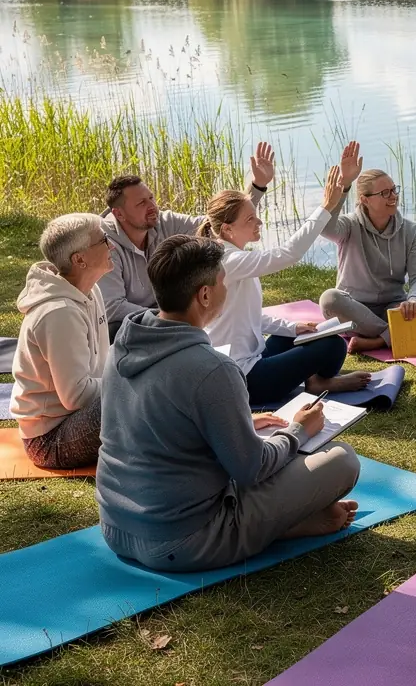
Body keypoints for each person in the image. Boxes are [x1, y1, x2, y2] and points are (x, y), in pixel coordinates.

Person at [97, 234, 361, 573]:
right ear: (204, 295)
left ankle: (280, 524)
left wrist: (243, 425)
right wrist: (298, 431)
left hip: (117, 528)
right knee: (343, 460)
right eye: (225, 282)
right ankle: (277, 527)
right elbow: (252, 469)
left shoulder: (126, 341)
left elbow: (159, 422)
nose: (227, 289)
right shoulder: (212, 368)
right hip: (186, 540)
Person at [201, 154, 371, 405]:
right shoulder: (228, 261)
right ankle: (318, 383)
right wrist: (325, 207)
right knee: (331, 347)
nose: (259, 221)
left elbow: (248, 315)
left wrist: (292, 328)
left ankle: (313, 380)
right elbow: (289, 254)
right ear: (227, 229)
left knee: (305, 335)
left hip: (254, 358)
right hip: (246, 380)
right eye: (250, 219)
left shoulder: (230, 256)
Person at [98, 142, 276, 341]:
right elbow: (113, 307)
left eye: (151, 198)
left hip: (172, 317)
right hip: (137, 328)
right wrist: (169, 318)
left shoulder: (164, 222)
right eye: (141, 203)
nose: (152, 206)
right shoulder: (105, 245)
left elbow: (218, 223)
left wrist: (257, 187)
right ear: (119, 214)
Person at [319, 142, 416, 352]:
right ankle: (398, 334)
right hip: (356, 308)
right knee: (330, 299)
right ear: (364, 200)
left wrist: (413, 299)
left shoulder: (410, 231)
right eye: (385, 193)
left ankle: (378, 340)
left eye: (394, 190)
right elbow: (326, 228)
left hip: (395, 307)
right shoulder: (349, 226)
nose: (393, 196)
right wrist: (345, 185)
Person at [11, 214, 114, 469]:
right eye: (103, 240)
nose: (111, 245)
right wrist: (128, 382)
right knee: (140, 396)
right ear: (79, 259)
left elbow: (101, 363)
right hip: (50, 439)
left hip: (76, 418)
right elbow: (77, 395)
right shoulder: (59, 313)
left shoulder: (90, 290)